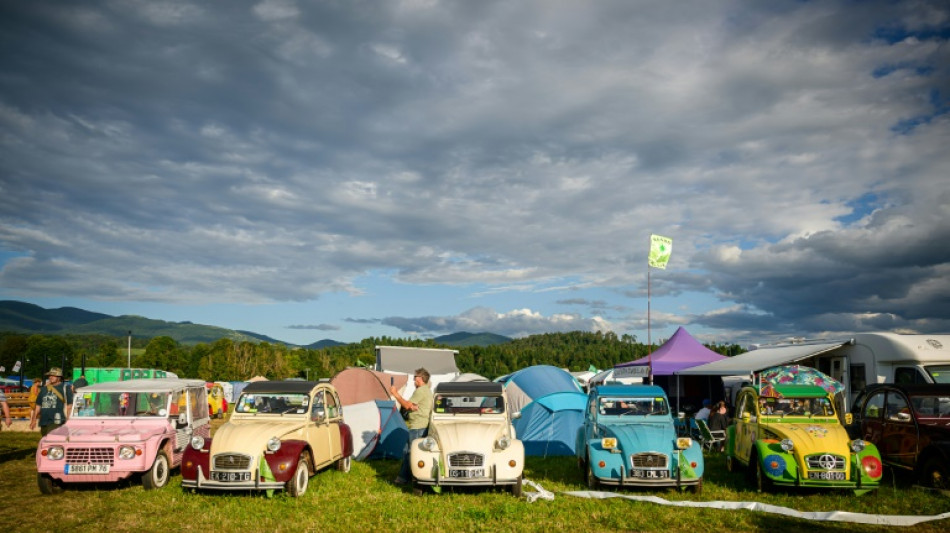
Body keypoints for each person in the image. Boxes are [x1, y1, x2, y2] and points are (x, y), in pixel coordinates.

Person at [389, 368, 433, 485]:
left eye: (415, 377)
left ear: (421, 379)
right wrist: (412, 406)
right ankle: (406, 477)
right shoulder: (426, 390)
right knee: (407, 451)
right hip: (420, 425)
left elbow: (408, 405)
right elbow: (412, 405)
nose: (414, 379)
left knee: (411, 453)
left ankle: (405, 478)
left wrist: (395, 394)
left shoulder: (421, 391)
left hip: (418, 427)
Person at [29, 367, 73, 436]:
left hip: (57, 421)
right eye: (50, 375)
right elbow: (38, 406)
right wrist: (33, 420)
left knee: (51, 439)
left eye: (53, 375)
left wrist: (68, 420)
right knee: (46, 441)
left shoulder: (65, 388)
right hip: (44, 422)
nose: (50, 377)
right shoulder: (43, 389)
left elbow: (69, 406)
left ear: (59, 377)